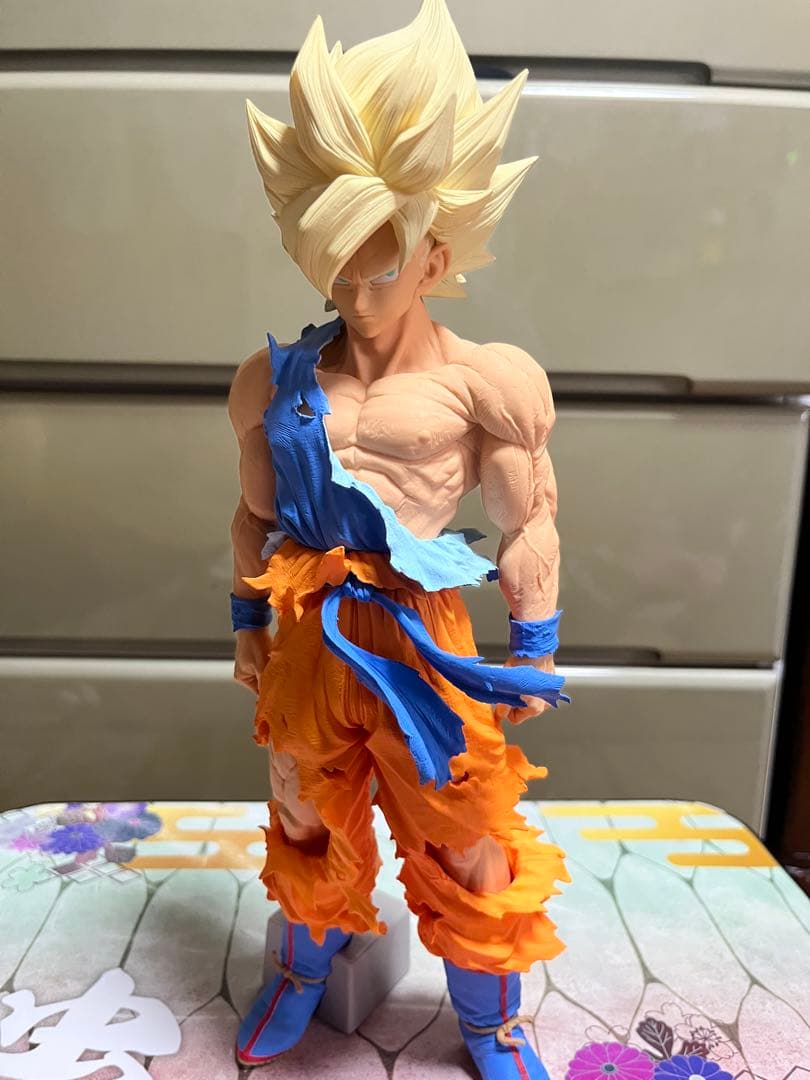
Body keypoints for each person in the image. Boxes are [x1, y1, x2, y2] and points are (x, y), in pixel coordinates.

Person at [228, 2, 569, 1076]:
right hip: (309, 630)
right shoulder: (272, 380)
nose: (357, 295)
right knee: (304, 817)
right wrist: (245, 624)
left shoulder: (484, 382)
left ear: (436, 257)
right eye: (337, 270)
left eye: (382, 270)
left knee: (465, 833)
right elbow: (254, 515)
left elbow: (529, 517)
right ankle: (301, 970)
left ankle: (490, 1020)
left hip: (425, 634)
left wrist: (534, 645)